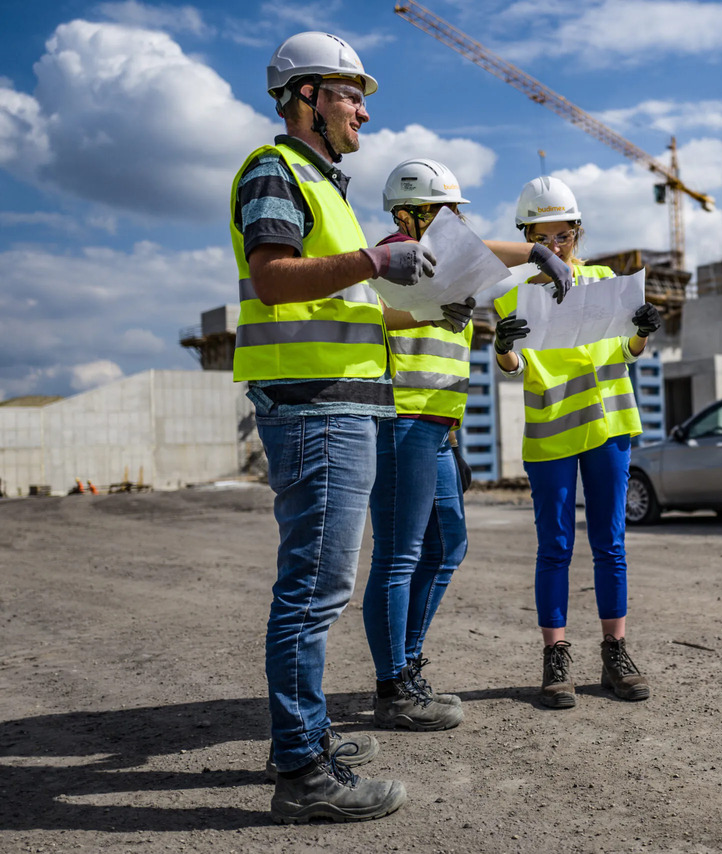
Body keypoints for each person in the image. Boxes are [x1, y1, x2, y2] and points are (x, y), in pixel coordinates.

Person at [231, 32, 476, 823]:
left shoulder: (324, 186)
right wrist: (375, 262)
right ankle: (303, 772)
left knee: (321, 585)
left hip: (342, 407)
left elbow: (345, 298)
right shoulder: (278, 170)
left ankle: (302, 740)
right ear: (304, 97)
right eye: (347, 94)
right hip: (316, 408)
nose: (363, 108)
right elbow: (273, 279)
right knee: (314, 590)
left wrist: (386, 277)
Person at [363, 158, 574, 730]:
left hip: (437, 425)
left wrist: (536, 254)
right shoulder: (389, 257)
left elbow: (484, 251)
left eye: (455, 210)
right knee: (400, 554)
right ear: (408, 213)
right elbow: (369, 317)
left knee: (447, 547)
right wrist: (530, 254)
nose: (454, 220)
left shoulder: (448, 259)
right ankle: (393, 686)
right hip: (402, 419)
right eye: (443, 210)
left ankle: (405, 664)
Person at [492, 176, 664, 709]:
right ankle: (556, 657)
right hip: (551, 433)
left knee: (610, 544)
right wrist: (501, 349)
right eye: (545, 238)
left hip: (609, 425)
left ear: (577, 232)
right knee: (555, 548)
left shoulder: (603, 279)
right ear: (527, 237)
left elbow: (625, 353)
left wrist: (641, 332)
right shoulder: (510, 293)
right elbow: (514, 364)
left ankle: (616, 652)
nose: (557, 247)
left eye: (564, 235)